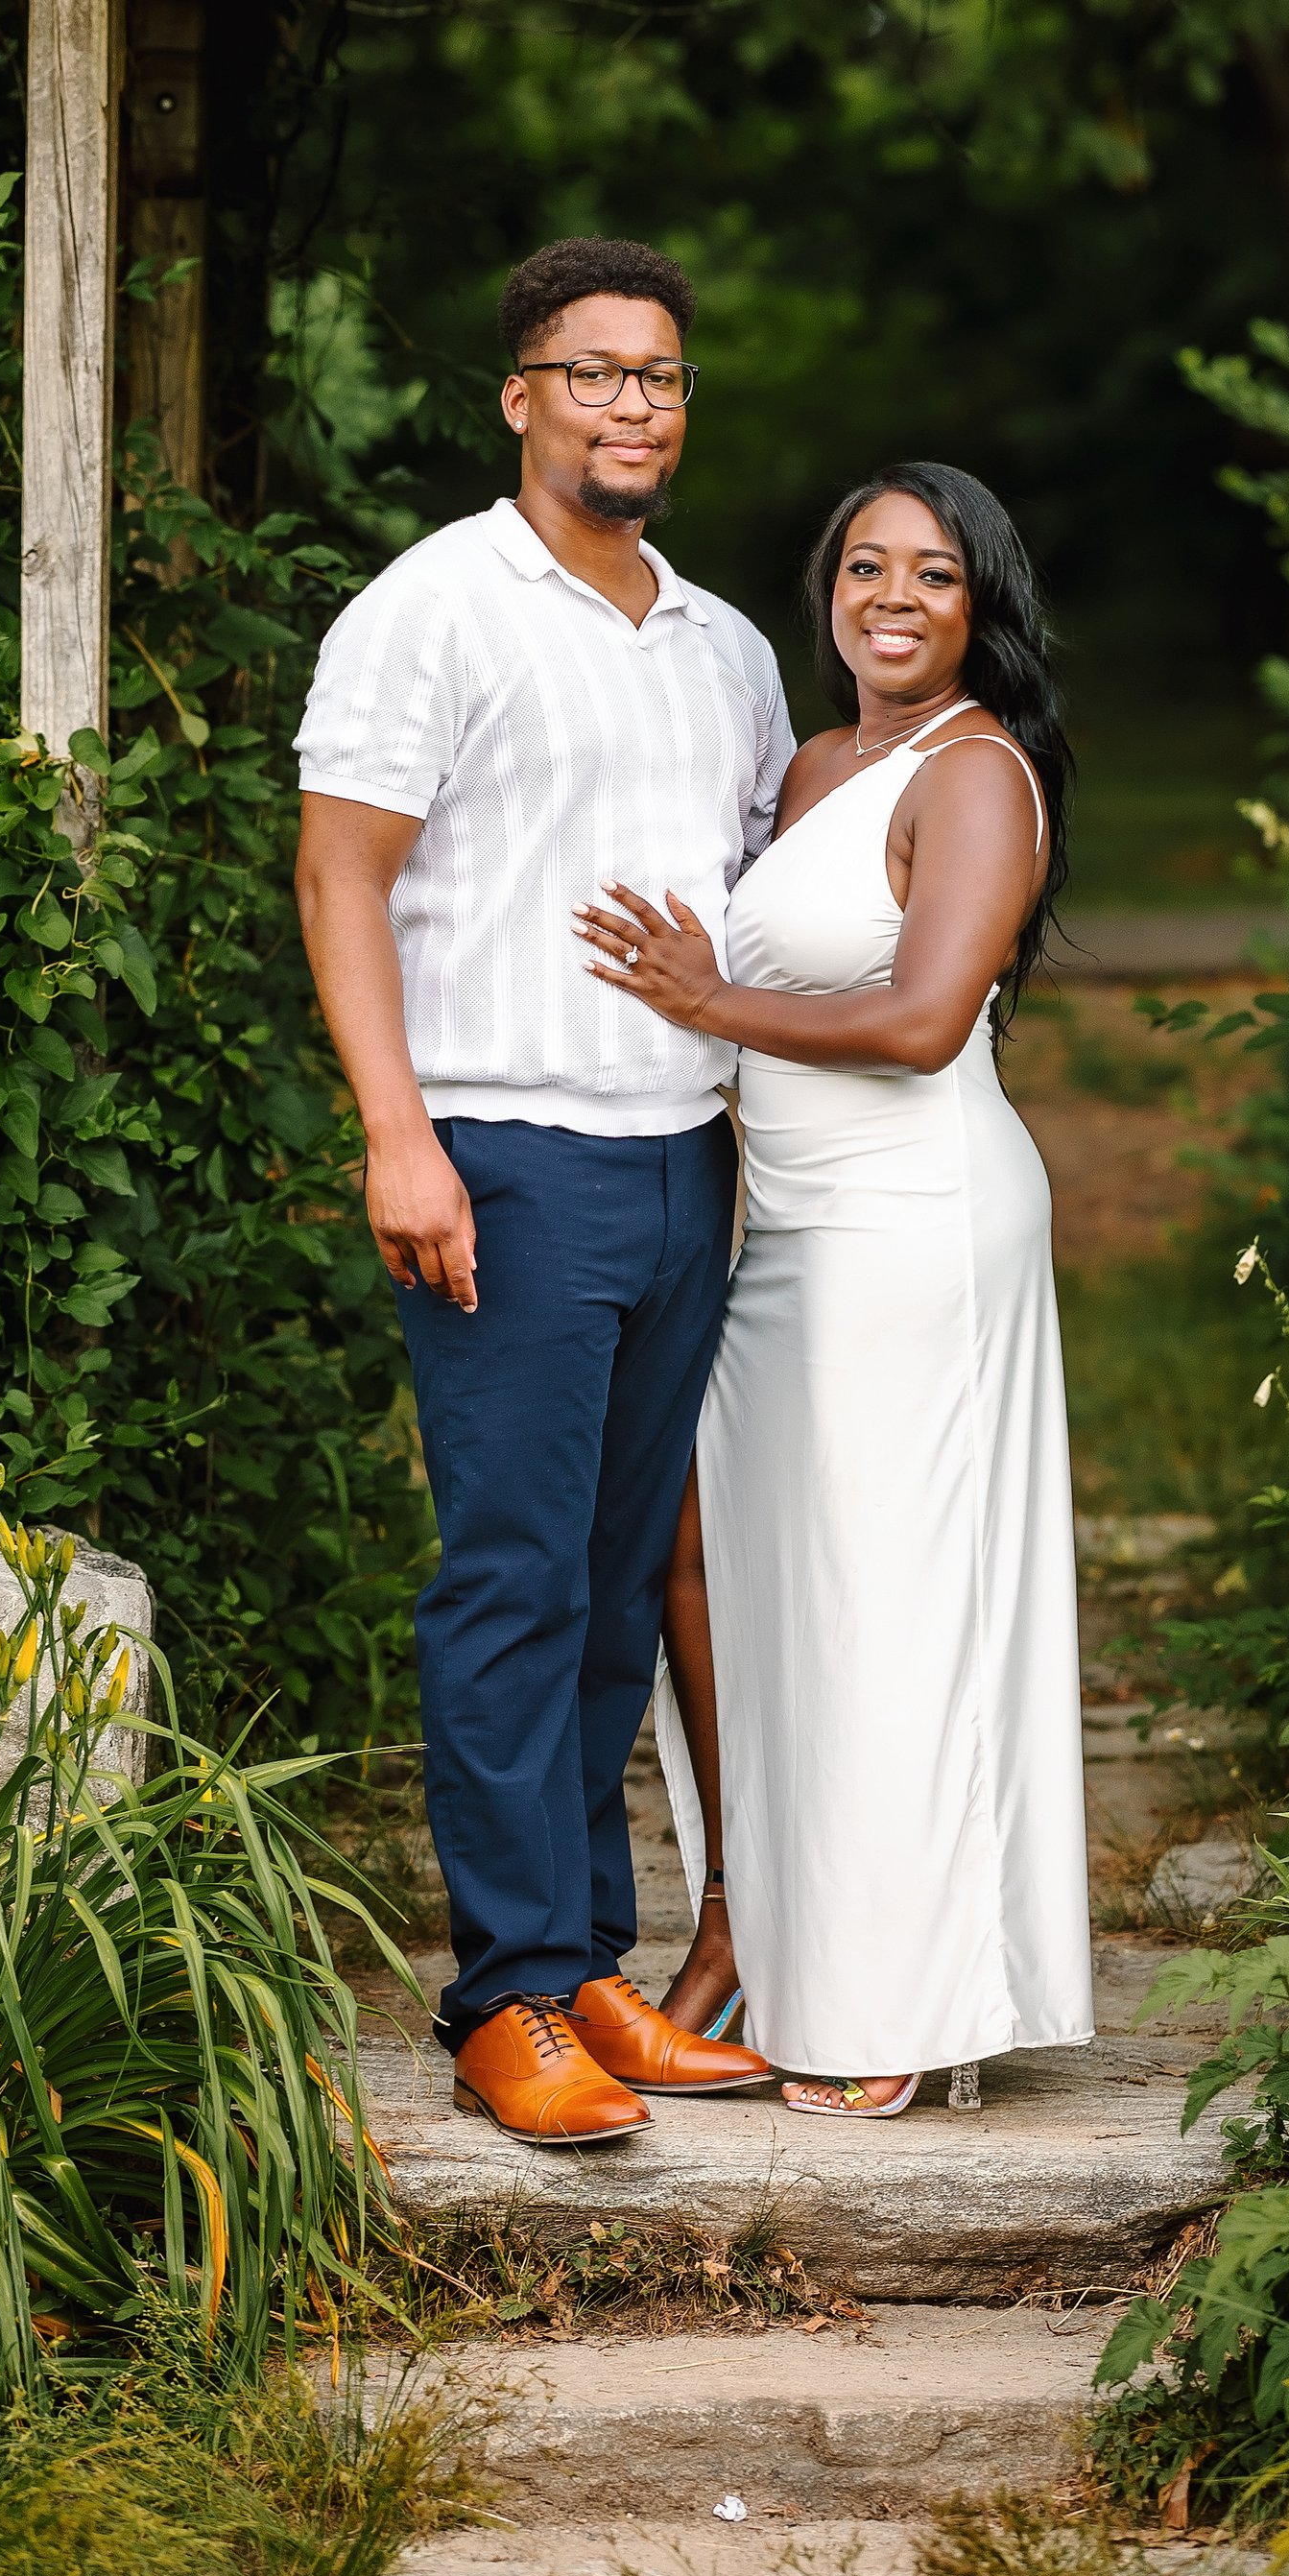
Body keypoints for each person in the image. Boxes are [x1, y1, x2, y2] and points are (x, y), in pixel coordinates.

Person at [294, 236, 784, 2145]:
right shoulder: (430, 613)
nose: (632, 406)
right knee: (505, 1585)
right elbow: (342, 879)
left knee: (608, 1591)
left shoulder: (726, 647)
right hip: (498, 1157)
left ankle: (585, 1959)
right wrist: (394, 1131)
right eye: (595, 374)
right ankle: (502, 1994)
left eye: (658, 377)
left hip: (681, 1166)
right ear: (520, 398)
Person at [577, 463, 1094, 2113]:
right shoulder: (814, 765)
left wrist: (709, 1000)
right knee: (705, 1555)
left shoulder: (978, 774)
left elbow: (927, 1017)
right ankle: (748, 1916)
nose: (889, 596)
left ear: (978, 603)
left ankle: (894, 1994)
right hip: (781, 1224)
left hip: (912, 1220)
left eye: (930, 573)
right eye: (862, 565)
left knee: (887, 1591)